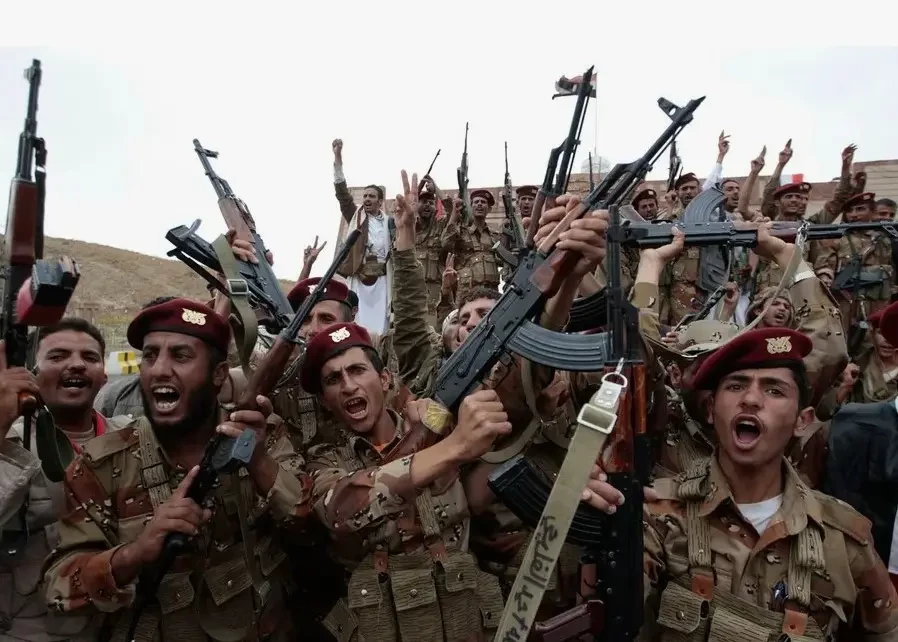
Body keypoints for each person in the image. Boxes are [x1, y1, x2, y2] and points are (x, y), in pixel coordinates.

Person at [43, 298, 313, 641]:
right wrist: (136, 552)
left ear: (219, 374)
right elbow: (59, 589)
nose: (159, 369)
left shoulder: (265, 436)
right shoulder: (101, 465)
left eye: (180, 356)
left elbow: (310, 528)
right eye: (150, 355)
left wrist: (258, 461)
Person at [638, 326, 898, 640]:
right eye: (736, 386)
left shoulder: (843, 539)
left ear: (802, 421)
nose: (750, 399)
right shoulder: (657, 514)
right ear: (710, 410)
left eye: (774, 390)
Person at [300, 322, 509, 642]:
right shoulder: (324, 460)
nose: (348, 386)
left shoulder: (439, 422)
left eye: (357, 370)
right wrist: (451, 447)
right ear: (326, 401)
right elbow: (340, 512)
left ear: (385, 380)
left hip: (464, 620)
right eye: (333, 379)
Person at [0, 319, 130, 641]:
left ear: (104, 376)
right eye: (58, 356)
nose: (76, 364)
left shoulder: (130, 440)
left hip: (114, 624)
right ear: (30, 374)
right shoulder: (9, 442)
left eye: (90, 357)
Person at [332, 138, 394, 335]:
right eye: (365, 196)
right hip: (359, 278)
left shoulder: (389, 223)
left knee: (381, 329)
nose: (367, 199)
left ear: (380, 201)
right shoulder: (355, 216)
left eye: (371, 196)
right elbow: (342, 194)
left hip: (382, 282)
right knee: (357, 325)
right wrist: (338, 158)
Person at [442, 188, 502, 301]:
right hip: (467, 293)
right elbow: (445, 243)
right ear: (471, 207)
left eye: (483, 202)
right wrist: (454, 217)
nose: (479, 204)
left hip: (491, 293)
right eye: (476, 202)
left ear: (489, 209)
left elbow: (503, 262)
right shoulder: (460, 232)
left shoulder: (495, 236)